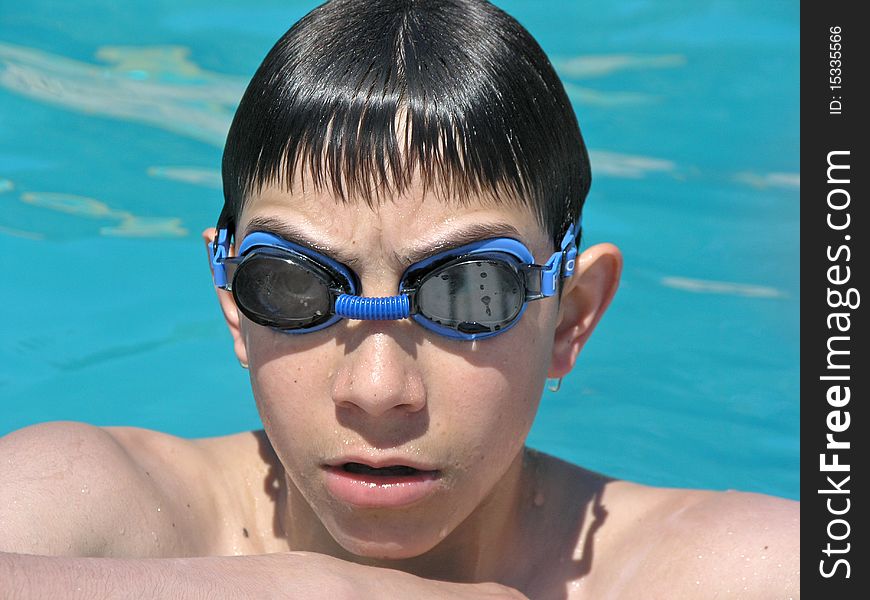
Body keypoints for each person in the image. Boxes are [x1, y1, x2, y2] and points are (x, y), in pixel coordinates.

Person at [0, 0, 798, 597]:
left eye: (470, 291)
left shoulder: (722, 569)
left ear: (574, 316)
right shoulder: (96, 505)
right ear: (234, 305)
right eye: (294, 285)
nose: (376, 392)